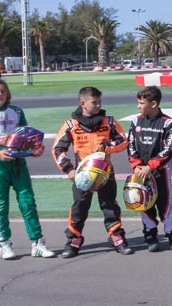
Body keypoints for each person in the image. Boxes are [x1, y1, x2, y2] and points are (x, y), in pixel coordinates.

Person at [0, 79, 56, 260]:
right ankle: (4, 244)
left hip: (19, 165)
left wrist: (34, 151)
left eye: (2, 91)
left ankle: (38, 244)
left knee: (28, 203)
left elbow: (27, 138)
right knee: (1, 206)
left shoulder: (16, 112)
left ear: (7, 93)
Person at [53, 86, 131, 257]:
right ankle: (73, 240)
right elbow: (58, 149)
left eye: (99, 102)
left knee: (109, 205)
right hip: (82, 176)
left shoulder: (109, 122)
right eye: (94, 102)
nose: (98, 105)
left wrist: (106, 147)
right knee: (79, 208)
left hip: (105, 173)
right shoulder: (71, 125)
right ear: (82, 103)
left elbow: (124, 141)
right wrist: (69, 170)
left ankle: (116, 237)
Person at [126, 86, 172, 252]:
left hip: (161, 171)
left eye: (141, 103)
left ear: (154, 104)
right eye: (138, 103)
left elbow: (170, 148)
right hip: (140, 171)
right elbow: (130, 145)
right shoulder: (136, 121)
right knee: (142, 202)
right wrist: (137, 165)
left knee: (165, 203)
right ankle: (150, 235)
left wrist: (151, 166)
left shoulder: (168, 123)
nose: (138, 106)